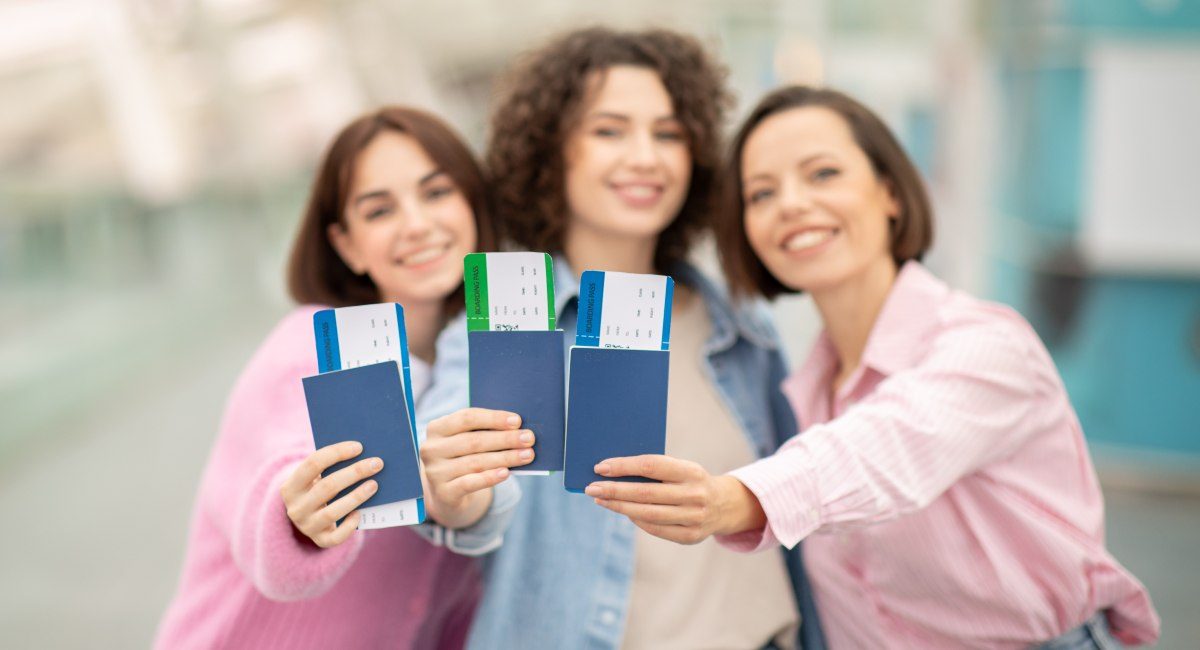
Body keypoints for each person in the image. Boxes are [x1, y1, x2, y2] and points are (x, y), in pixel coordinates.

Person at [589, 85, 1161, 648]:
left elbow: (882, 450)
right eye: (761, 194)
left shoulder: (986, 347)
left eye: (823, 174)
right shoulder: (799, 387)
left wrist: (732, 500)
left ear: (890, 192)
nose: (790, 204)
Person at [418, 28, 824, 650]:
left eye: (668, 133)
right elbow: (468, 492)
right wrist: (452, 492)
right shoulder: (504, 318)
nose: (646, 157)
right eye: (610, 130)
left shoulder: (738, 327)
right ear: (552, 153)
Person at [155, 106, 521, 649]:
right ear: (346, 244)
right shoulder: (305, 348)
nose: (417, 224)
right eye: (379, 211)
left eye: (437, 193)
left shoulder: (486, 360)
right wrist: (300, 514)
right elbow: (276, 488)